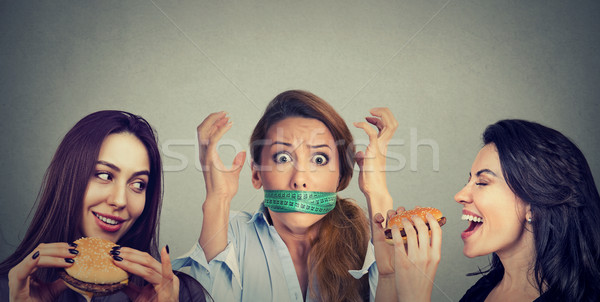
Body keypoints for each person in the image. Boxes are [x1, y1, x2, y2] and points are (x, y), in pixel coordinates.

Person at [173, 90, 398, 301]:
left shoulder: (368, 245)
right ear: (256, 174)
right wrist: (217, 199)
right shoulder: (230, 234)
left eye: (319, 159)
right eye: (283, 158)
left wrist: (377, 192)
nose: (299, 179)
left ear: (340, 177)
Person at [375, 119, 600, 302]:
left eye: (482, 182)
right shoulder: (482, 291)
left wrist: (416, 298)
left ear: (533, 203)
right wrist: (388, 276)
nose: (459, 195)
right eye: (469, 180)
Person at [0, 110, 209, 301]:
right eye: (104, 175)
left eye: (138, 184)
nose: (119, 200)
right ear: (67, 177)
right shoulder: (8, 290)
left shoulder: (181, 294)